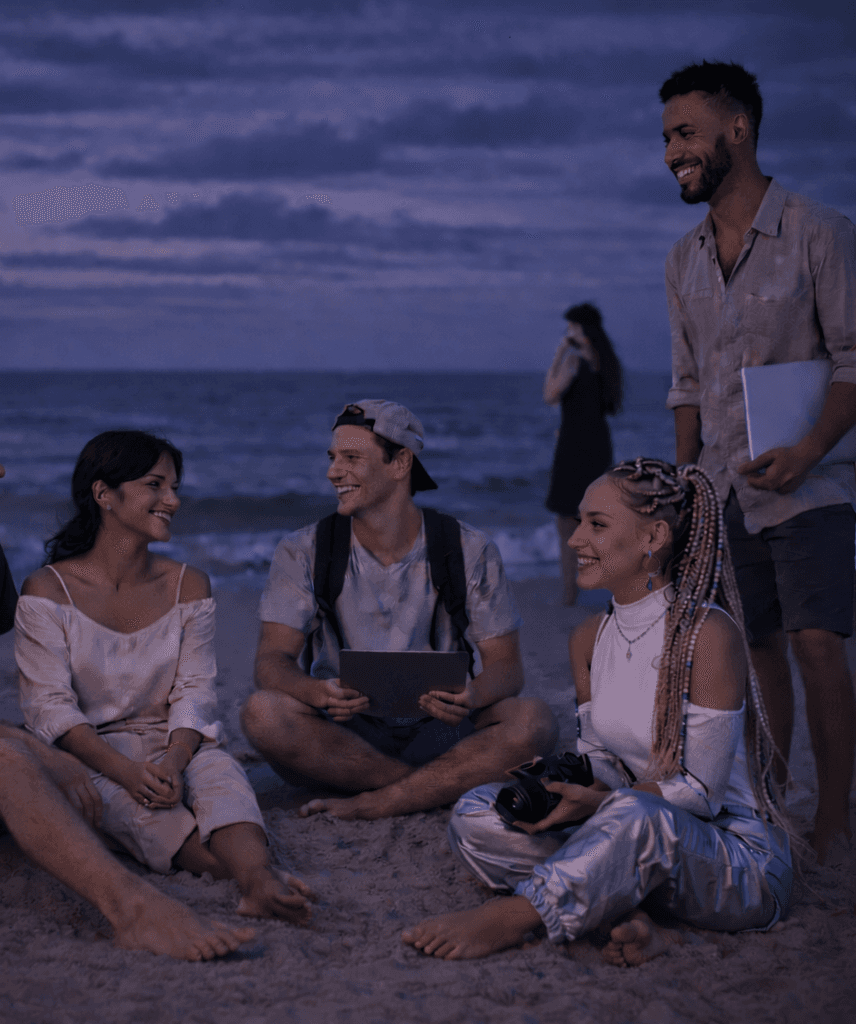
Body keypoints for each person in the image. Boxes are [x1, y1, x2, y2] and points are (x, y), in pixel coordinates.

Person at [0, 395, 255, 962]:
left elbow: (61, 654)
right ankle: (135, 911)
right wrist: (31, 745)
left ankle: (232, 862)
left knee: (78, 760)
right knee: (21, 758)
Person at [403, 458, 793, 962]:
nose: (574, 540)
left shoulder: (708, 635)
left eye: (598, 525)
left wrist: (605, 804)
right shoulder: (589, 638)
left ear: (653, 536)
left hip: (733, 859)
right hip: (632, 836)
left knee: (637, 815)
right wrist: (569, 787)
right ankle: (635, 915)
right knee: (477, 812)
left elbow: (699, 794)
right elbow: (600, 756)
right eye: (580, 521)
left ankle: (518, 916)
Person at [660, 60, 856, 860]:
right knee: (757, 648)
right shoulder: (681, 261)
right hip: (722, 491)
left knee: (817, 643)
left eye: (685, 132)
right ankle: (775, 804)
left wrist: (809, 450)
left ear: (738, 127)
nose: (673, 151)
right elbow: (685, 387)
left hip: (814, 484)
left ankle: (835, 822)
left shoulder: (820, 231)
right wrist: (682, 496)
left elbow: (853, 358)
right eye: (666, 137)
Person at [17, 430, 313, 924]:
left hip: (176, 741)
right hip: (91, 756)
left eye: (175, 487)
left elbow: (195, 689)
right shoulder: (48, 590)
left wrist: (176, 759)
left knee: (223, 780)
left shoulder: (187, 583)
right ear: (104, 494)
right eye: (156, 485)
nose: (172, 500)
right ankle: (255, 880)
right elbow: (49, 709)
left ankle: (259, 881)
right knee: (150, 818)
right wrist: (126, 772)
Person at [239, 399, 557, 820]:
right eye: (333, 458)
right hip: (344, 732)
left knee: (534, 721)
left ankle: (382, 797)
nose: (333, 471)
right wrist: (313, 691)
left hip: (441, 729)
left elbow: (507, 669)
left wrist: (474, 694)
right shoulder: (302, 550)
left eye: (352, 458)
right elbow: (270, 662)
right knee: (262, 714)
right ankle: (424, 787)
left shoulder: (468, 548)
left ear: (400, 462)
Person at [543, 302, 623, 606]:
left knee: (566, 521)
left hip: (573, 446)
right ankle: (606, 579)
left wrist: (559, 352)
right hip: (599, 445)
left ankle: (569, 591)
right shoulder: (607, 363)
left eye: (571, 327)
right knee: (594, 517)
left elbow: (549, 394)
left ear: (581, 329)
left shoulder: (575, 362)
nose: (567, 332)